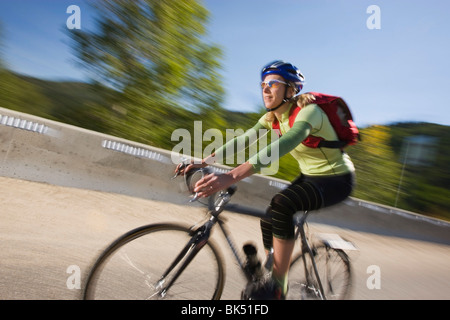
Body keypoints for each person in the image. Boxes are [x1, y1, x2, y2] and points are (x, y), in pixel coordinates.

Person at [178, 60, 355, 299]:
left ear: (291, 89)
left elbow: (283, 145)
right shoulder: (272, 118)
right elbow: (245, 140)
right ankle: (271, 269)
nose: (266, 88)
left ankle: (277, 288)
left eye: (273, 83)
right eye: (263, 83)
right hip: (310, 176)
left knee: (283, 205)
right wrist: (203, 162)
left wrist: (230, 176)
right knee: (270, 215)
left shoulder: (309, 112)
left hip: (336, 180)